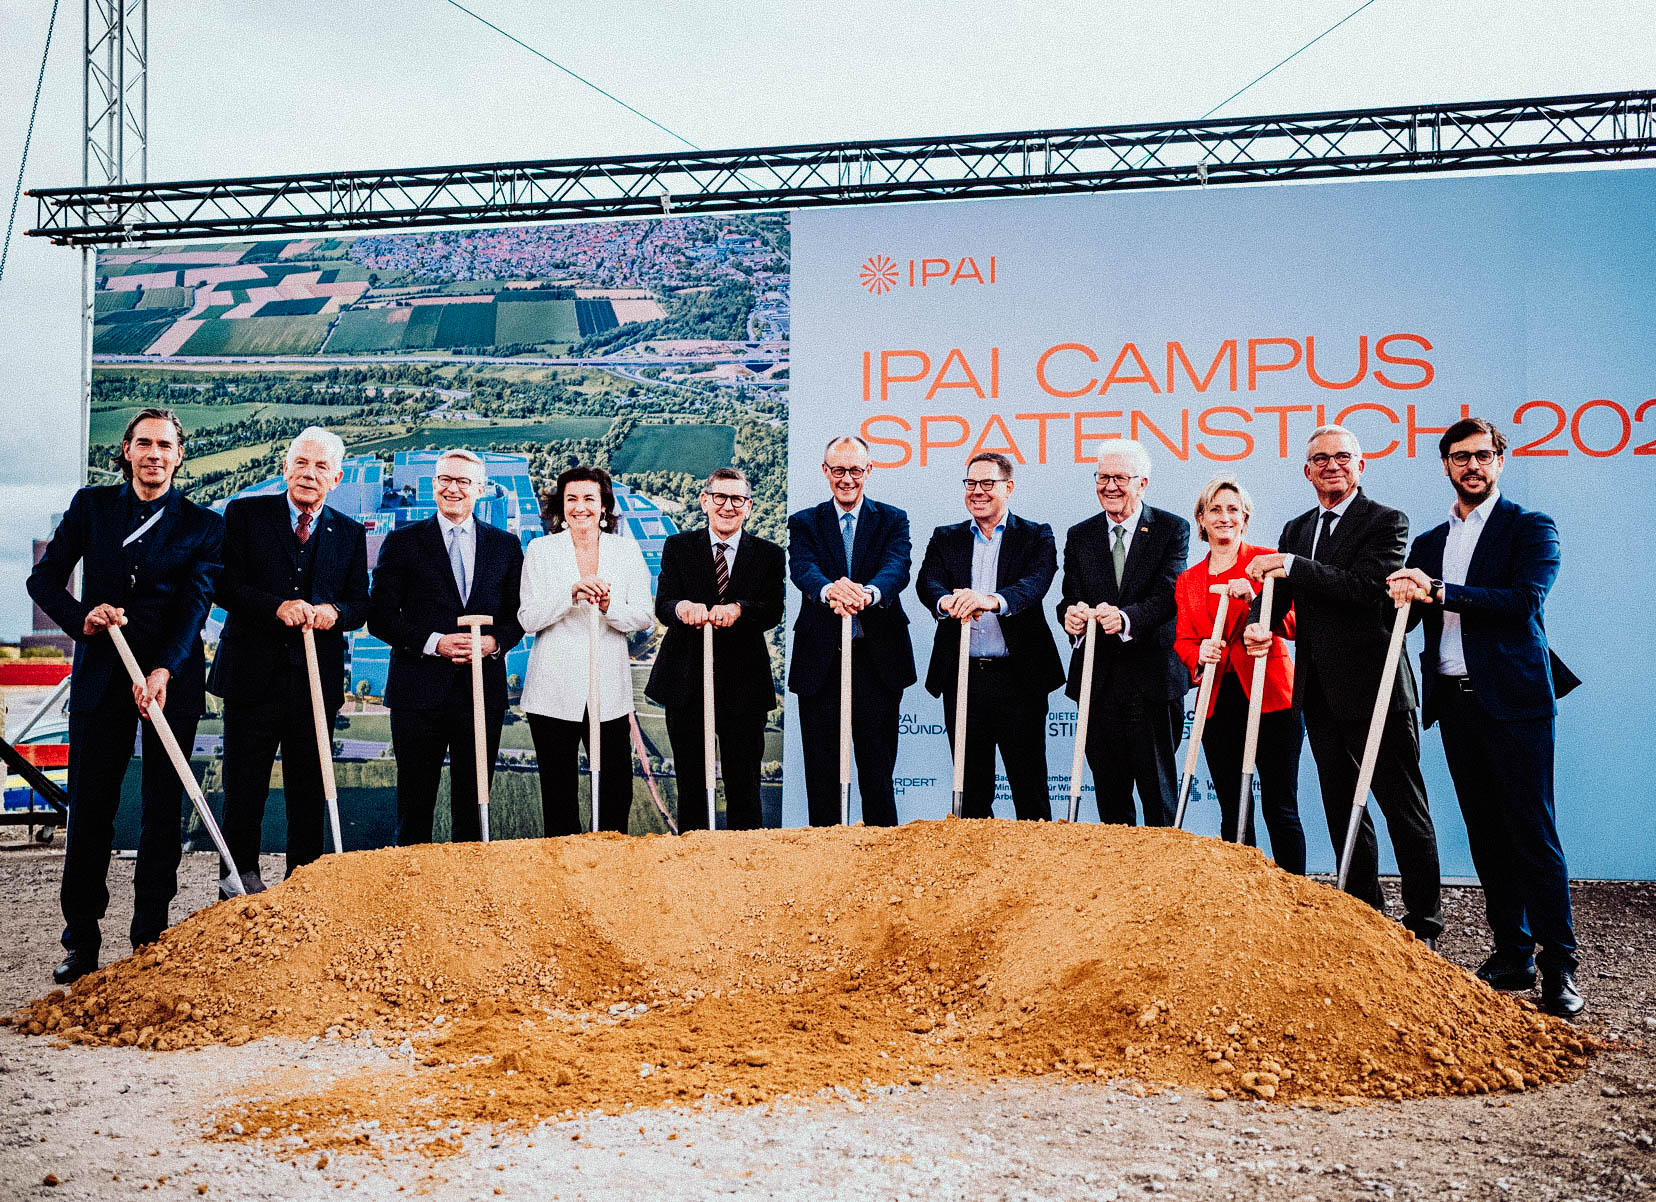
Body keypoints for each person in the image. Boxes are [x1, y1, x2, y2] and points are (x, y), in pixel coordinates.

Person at [1386, 417, 1583, 1016]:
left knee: (1532, 832)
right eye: (1459, 457)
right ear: (1445, 465)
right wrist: (1394, 595)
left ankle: (1560, 968)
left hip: (1516, 703)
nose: (1471, 466)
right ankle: (1512, 953)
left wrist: (1439, 591)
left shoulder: (1530, 528)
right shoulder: (1426, 541)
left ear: (1501, 460)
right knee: (1486, 836)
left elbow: (1523, 602)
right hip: (1455, 703)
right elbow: (1407, 618)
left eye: (1482, 456)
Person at [27, 408, 223, 984]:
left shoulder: (202, 524)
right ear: (127, 450)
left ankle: (149, 940)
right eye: (144, 444)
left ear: (179, 455)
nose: (154, 454)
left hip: (169, 682)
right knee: (91, 811)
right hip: (101, 677)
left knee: (163, 813)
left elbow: (196, 604)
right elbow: (44, 579)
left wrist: (165, 668)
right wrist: (81, 618)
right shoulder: (92, 507)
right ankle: (81, 943)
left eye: (165, 445)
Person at [1244, 424, 1442, 945]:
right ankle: (1363, 911)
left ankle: (1424, 923)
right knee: (1339, 801)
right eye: (1320, 459)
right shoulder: (1295, 529)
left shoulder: (1386, 522)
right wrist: (1257, 620)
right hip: (1318, 692)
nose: (1331, 465)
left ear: (1360, 465)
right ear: (1306, 470)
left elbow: (1364, 591)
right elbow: (1283, 604)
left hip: (1376, 690)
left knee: (1403, 805)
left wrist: (1290, 566)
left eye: (1342, 457)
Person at [209, 428, 369, 896]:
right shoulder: (244, 515)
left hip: (315, 687)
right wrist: (275, 606)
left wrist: (334, 613)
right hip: (250, 679)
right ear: (285, 466)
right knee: (244, 788)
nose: (309, 474)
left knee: (308, 790)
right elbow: (224, 586)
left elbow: (360, 604)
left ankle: (304, 884)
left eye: (321, 467)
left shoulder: (349, 533)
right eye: (301, 462)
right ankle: (237, 881)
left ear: (336, 478)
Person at [366, 449, 524, 845]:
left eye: (463, 481)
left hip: (480, 694)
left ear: (481, 489)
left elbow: (519, 614)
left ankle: (468, 894)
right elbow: (381, 616)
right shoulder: (402, 542)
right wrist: (434, 643)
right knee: (415, 804)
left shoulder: (505, 546)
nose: (453, 489)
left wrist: (493, 642)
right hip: (417, 695)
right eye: (444, 480)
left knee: (475, 807)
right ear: (433, 484)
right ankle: (412, 892)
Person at [916, 452, 1063, 820]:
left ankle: (1035, 872)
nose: (977, 492)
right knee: (971, 791)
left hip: (1019, 678)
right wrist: (947, 600)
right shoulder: (945, 537)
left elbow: (1034, 585)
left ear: (1008, 487)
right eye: (970, 484)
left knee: (1029, 789)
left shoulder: (1036, 535)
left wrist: (990, 600)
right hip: (963, 677)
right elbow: (927, 581)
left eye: (987, 484)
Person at [1173, 475, 1305, 872]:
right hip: (1218, 700)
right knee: (1234, 806)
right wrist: (1199, 651)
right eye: (1215, 509)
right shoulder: (1188, 579)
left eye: (1232, 509)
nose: (1224, 517)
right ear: (1201, 518)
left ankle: (1292, 896)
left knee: (1281, 804)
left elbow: (1296, 622)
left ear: (1245, 517)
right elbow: (1182, 640)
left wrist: (1261, 605)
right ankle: (1244, 898)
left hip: (1271, 695)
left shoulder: (1267, 562)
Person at [1057, 440, 1189, 826]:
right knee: (1111, 800)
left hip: (1152, 680)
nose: (1110, 486)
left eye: (1120, 478)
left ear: (1142, 483)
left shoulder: (1170, 528)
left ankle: (1164, 882)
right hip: (1098, 683)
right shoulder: (1080, 534)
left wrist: (1126, 619)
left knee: (1158, 797)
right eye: (1102, 477)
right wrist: (1072, 616)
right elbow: (1070, 595)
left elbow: (1169, 595)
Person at [646, 468, 785, 831]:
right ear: (705, 501)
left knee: (745, 787)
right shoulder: (679, 547)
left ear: (749, 506)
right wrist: (681, 609)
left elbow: (772, 609)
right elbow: (664, 603)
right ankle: (694, 876)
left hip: (745, 686)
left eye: (736, 499)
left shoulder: (769, 554)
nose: (728, 506)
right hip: (687, 682)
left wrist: (739, 609)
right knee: (692, 786)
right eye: (719, 497)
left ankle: (745, 872)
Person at [788, 435, 915, 826]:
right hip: (821, 662)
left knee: (877, 769)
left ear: (869, 471)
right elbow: (803, 568)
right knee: (822, 771)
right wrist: (830, 590)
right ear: (825, 472)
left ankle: (882, 864)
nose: (847, 479)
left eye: (855, 470)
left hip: (877, 661)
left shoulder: (893, 518)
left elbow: (898, 567)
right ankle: (824, 866)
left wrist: (867, 593)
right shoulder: (804, 522)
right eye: (839, 470)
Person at [519, 466, 654, 835]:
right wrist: (570, 595)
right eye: (572, 499)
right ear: (560, 508)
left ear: (604, 506)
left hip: (607, 692)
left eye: (589, 499)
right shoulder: (540, 550)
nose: (581, 507)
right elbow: (528, 617)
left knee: (614, 792)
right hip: (552, 692)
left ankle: (608, 872)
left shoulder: (626, 551)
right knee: (558, 794)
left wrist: (609, 606)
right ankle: (564, 880)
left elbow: (644, 615)